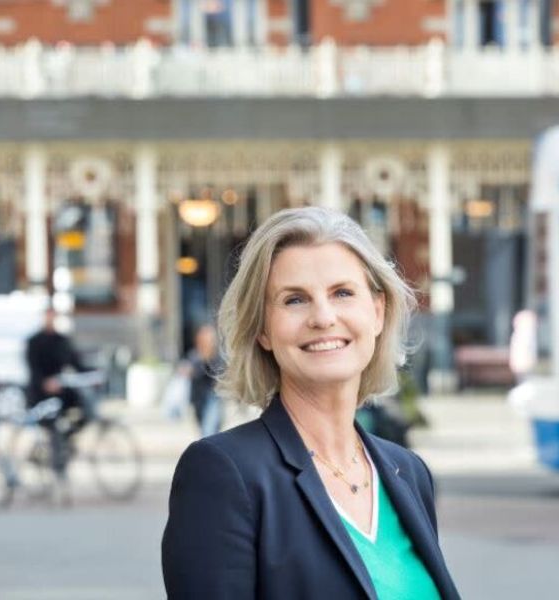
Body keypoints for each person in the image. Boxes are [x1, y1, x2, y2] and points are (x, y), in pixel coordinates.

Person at [162, 207, 459, 599]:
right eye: (295, 299)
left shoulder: (409, 473)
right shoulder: (223, 474)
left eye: (342, 293)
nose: (323, 317)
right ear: (263, 329)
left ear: (377, 312)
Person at [25, 306, 94, 481]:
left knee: (85, 412)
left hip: (61, 392)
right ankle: (58, 468)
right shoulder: (34, 341)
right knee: (53, 426)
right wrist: (44, 383)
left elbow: (76, 363)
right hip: (41, 394)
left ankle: (66, 440)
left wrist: (93, 374)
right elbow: (33, 369)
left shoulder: (61, 340)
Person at [184, 324, 223, 438]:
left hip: (212, 399)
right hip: (198, 400)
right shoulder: (194, 356)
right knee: (204, 428)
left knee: (208, 431)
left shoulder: (217, 358)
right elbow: (190, 373)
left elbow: (218, 372)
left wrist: (206, 360)